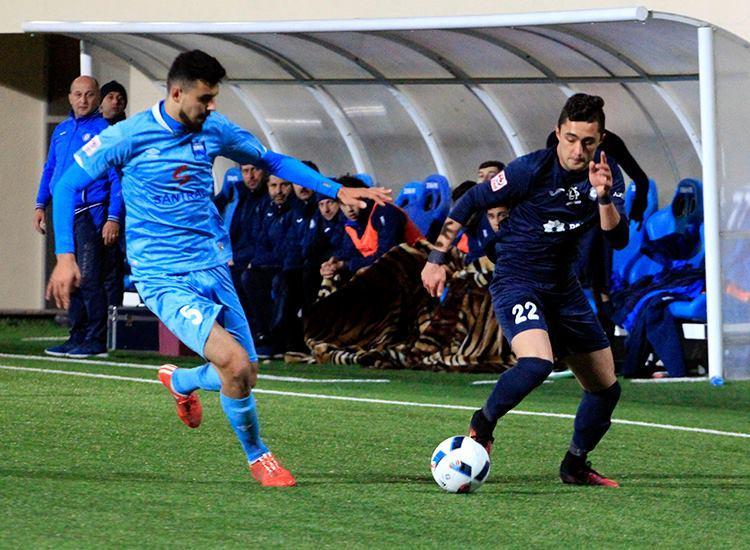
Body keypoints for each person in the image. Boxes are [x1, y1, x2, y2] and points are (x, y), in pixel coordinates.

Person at [45, 50, 391, 487]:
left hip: (212, 266)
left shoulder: (214, 129)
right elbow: (66, 184)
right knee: (233, 362)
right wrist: (65, 257)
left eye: (213, 98)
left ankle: (182, 381)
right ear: (176, 93)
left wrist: (336, 190)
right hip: (162, 275)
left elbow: (272, 161)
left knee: (246, 372)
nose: (211, 106)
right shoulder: (128, 135)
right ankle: (259, 456)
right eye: (204, 98)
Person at [422, 93, 628, 487]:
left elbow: (617, 238)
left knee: (606, 389)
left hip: (564, 289)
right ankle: (483, 424)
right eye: (571, 139)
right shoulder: (530, 169)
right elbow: (470, 202)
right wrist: (436, 259)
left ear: (600, 139)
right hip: (518, 280)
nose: (578, 150)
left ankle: (574, 465)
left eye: (587, 142)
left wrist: (603, 196)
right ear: (558, 133)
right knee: (537, 364)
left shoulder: (606, 174)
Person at [35, 75, 122, 358]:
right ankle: (76, 336)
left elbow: (117, 178)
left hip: (90, 214)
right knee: (69, 276)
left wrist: (113, 217)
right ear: (70, 97)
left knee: (88, 278)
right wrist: (40, 204)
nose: (83, 100)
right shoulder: (61, 130)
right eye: (77, 94)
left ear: (97, 98)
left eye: (89, 94)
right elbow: (50, 169)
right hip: (64, 214)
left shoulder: (104, 132)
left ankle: (96, 339)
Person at [321, 176, 424, 281]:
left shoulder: (385, 211)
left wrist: (344, 265)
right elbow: (348, 254)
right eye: (343, 204)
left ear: (364, 197)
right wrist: (332, 265)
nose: (349, 209)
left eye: (353, 202)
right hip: (381, 271)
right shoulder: (350, 223)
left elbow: (387, 256)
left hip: (414, 267)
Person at [100, 80, 129, 307]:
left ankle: (113, 320)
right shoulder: (92, 132)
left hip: (120, 209)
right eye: (110, 97)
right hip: (94, 207)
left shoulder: (129, 133)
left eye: (120, 98)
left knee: (114, 267)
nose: (116, 101)